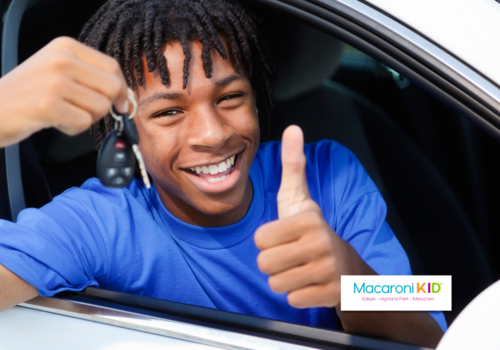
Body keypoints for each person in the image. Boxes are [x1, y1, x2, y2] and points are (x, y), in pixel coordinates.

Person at [0, 0, 446, 346]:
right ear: (129, 130)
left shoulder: (330, 171)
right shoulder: (101, 219)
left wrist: (349, 277)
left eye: (230, 97)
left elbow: (434, 330)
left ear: (257, 97)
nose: (212, 134)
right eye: (171, 112)